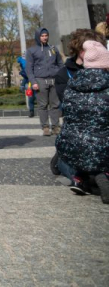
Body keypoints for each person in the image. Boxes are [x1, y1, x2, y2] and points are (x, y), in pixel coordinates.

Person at [55, 40, 109, 203]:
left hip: (72, 146)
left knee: (65, 161)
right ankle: (100, 176)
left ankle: (82, 180)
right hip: (103, 148)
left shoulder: (72, 85)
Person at [26, 28, 64, 136]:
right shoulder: (31, 51)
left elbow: (60, 64)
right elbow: (29, 68)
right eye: (42, 36)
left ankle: (56, 127)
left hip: (54, 79)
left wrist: (62, 78)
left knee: (55, 105)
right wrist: (33, 82)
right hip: (40, 80)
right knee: (43, 105)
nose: (45, 37)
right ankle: (45, 127)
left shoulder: (53, 49)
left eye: (46, 35)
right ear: (38, 37)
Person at [56, 29, 106, 102]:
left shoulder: (105, 70)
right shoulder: (64, 74)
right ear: (79, 49)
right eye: (92, 48)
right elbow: (67, 101)